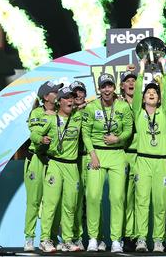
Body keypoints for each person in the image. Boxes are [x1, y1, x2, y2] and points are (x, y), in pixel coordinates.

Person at [82, 73, 134, 252]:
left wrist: (117, 138)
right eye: (103, 86)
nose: (106, 89)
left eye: (109, 86)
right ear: (99, 88)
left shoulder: (123, 106)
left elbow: (129, 129)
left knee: (117, 198)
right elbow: (85, 133)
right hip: (97, 154)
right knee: (93, 196)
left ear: (114, 87)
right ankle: (93, 238)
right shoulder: (91, 107)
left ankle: (116, 240)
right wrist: (93, 154)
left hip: (117, 154)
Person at [132, 57, 166, 252]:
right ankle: (141, 239)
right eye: (148, 92)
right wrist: (141, 69)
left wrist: (163, 70)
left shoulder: (164, 112)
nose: (152, 94)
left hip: (161, 163)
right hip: (143, 161)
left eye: (155, 92)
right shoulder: (138, 113)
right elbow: (137, 94)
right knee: (142, 201)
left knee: (160, 203)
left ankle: (157, 240)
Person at [39, 86, 84, 252]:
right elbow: (35, 134)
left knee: (70, 205)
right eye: (67, 97)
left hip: (72, 165)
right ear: (60, 101)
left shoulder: (77, 117)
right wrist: (41, 138)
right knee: (51, 204)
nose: (70, 100)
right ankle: (44, 239)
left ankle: (67, 239)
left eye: (72, 97)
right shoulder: (51, 119)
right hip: (56, 163)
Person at [24, 81, 63, 252]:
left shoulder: (61, 113)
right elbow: (34, 133)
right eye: (55, 92)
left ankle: (49, 238)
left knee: (52, 203)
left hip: (53, 161)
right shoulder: (36, 112)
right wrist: (41, 139)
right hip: (36, 160)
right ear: (46, 97)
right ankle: (29, 238)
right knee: (33, 201)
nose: (58, 94)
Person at [119, 67, 139, 250]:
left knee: (141, 199)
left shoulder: (144, 103)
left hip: (141, 155)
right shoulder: (117, 105)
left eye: (134, 80)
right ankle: (126, 235)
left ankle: (138, 235)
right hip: (124, 154)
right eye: (128, 80)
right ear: (122, 85)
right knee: (125, 197)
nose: (131, 82)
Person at [70, 80, 89, 251]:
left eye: (81, 91)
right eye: (74, 92)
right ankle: (74, 237)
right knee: (74, 201)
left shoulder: (91, 109)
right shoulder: (66, 112)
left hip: (88, 158)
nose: (78, 95)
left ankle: (93, 237)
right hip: (72, 160)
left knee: (91, 200)